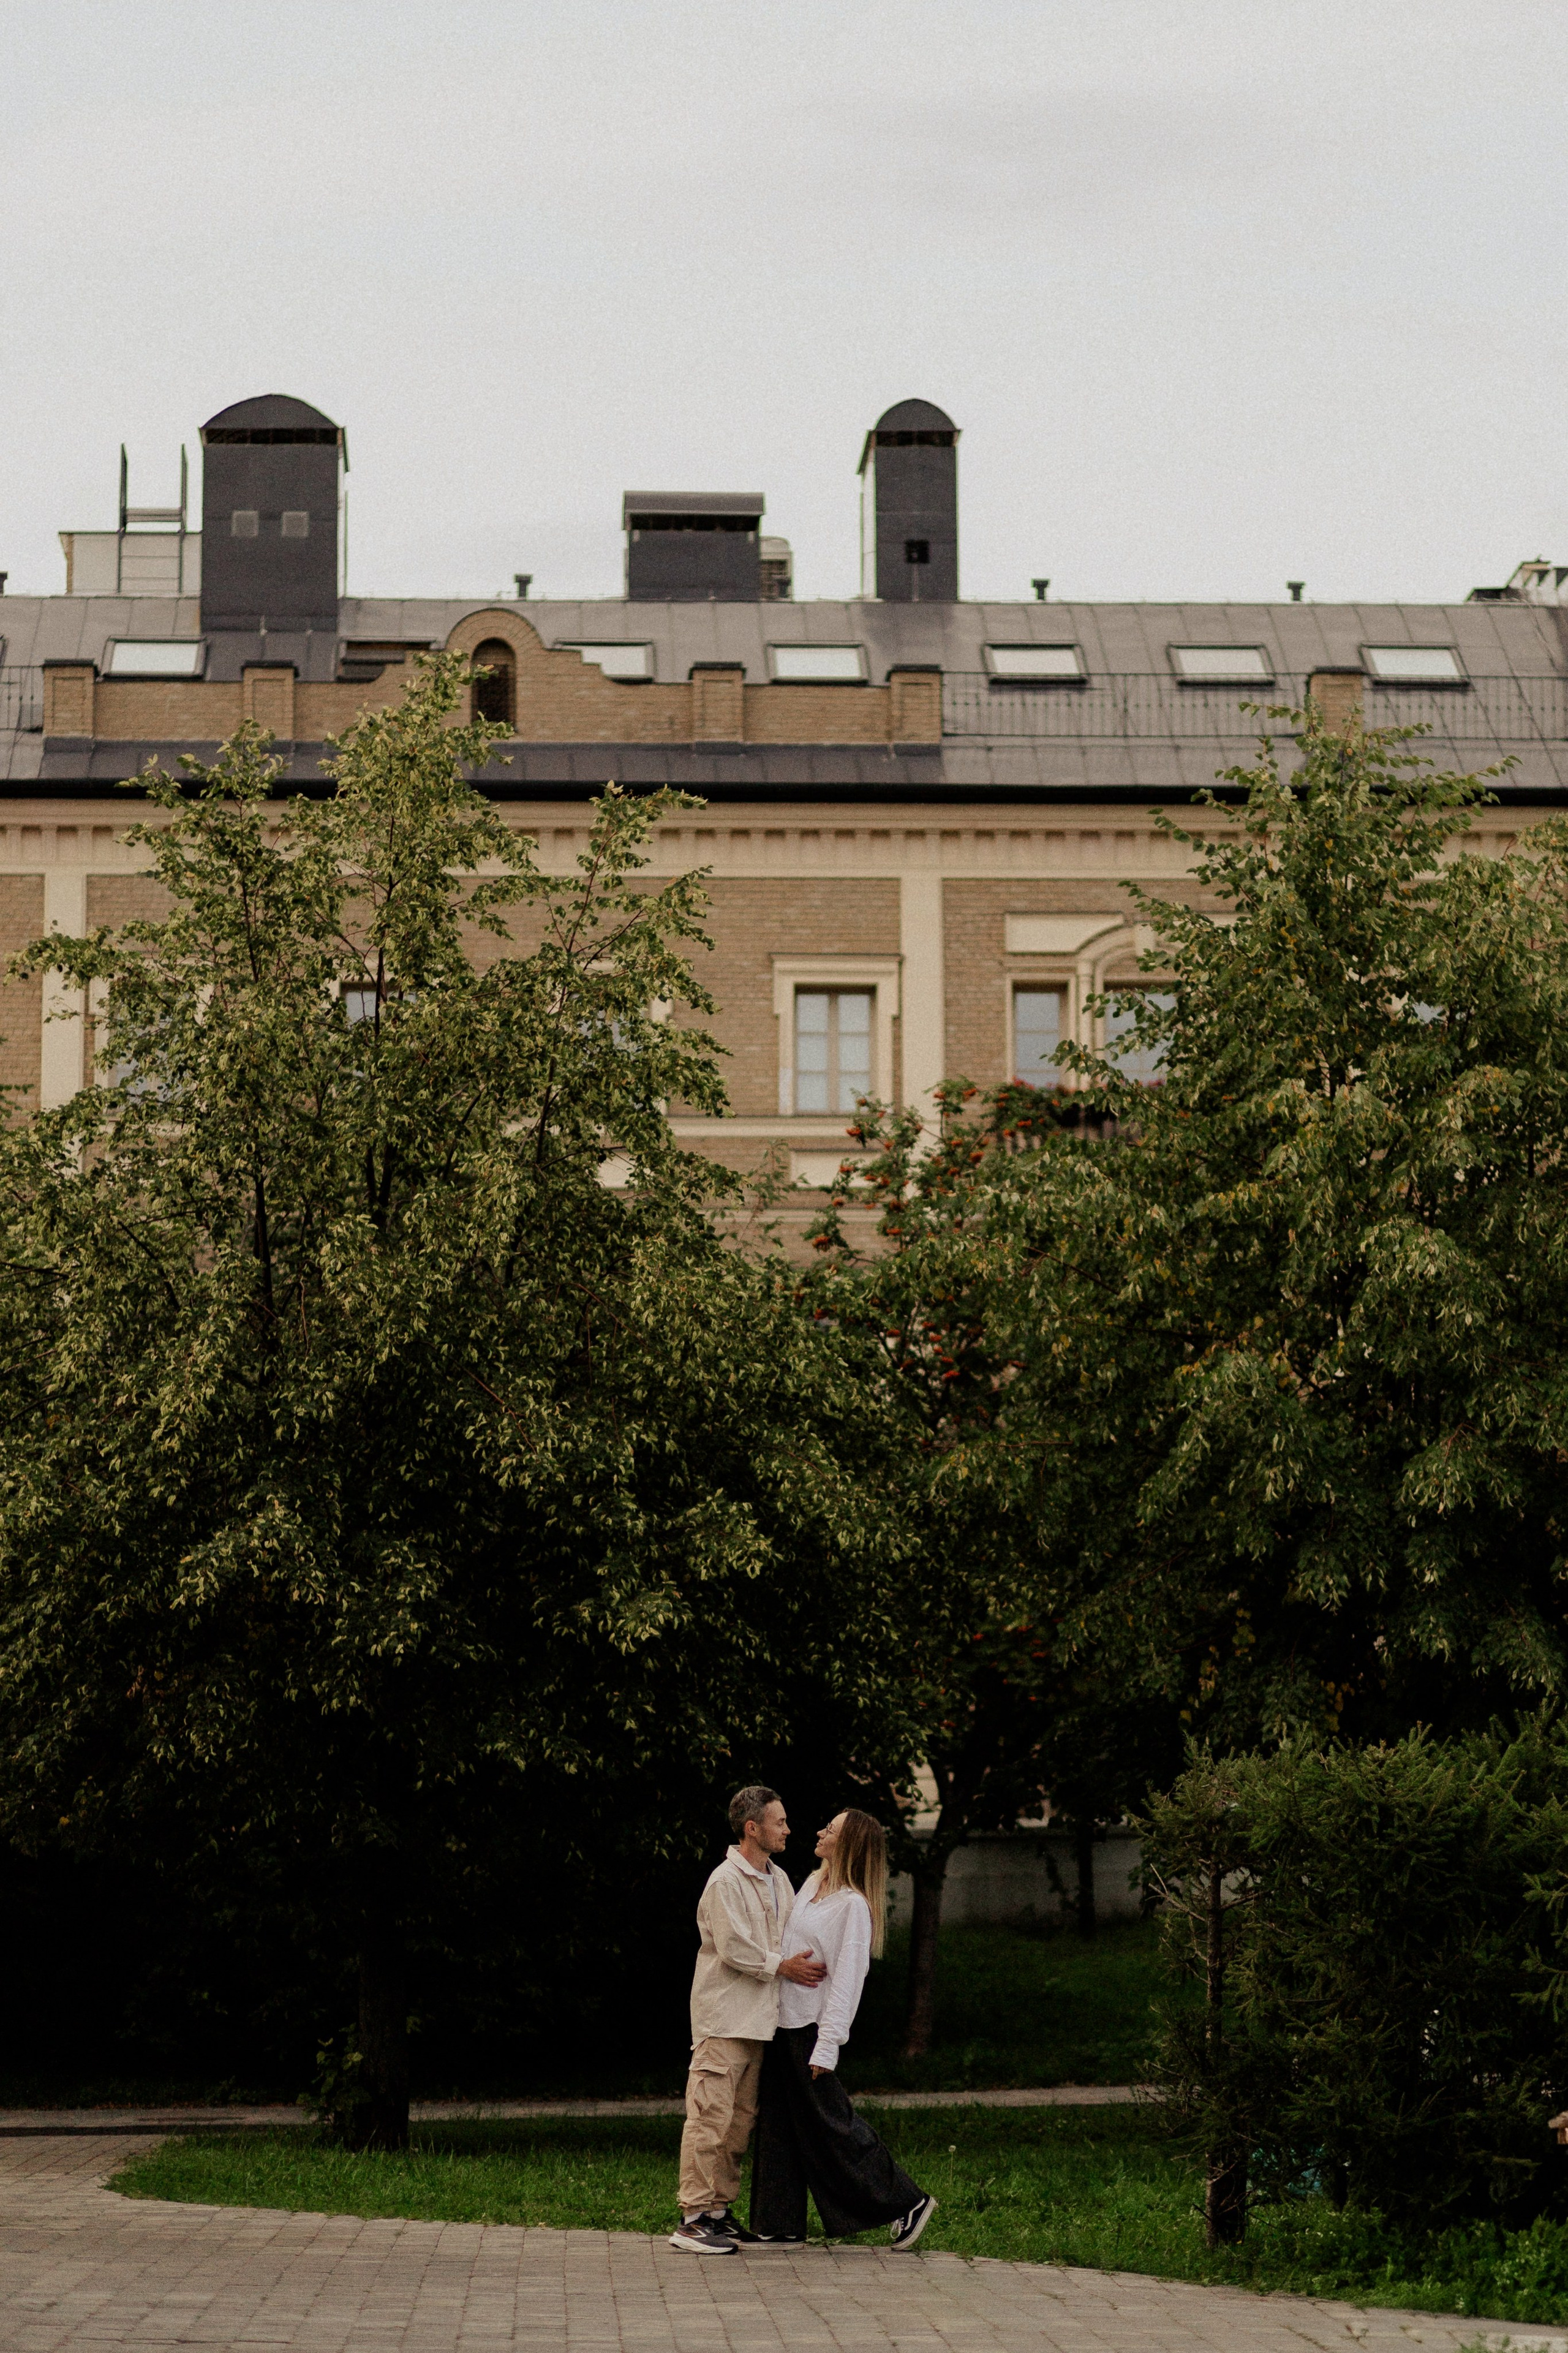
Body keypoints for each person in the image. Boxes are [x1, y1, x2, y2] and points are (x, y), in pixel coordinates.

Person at [750, 1808, 937, 2251]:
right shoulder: (811, 1885)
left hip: (812, 2029)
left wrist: (828, 2045)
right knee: (779, 2123)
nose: (819, 1831)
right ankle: (779, 2222)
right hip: (782, 2023)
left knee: (834, 2127)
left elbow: (848, 1981)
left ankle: (907, 2201)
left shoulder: (852, 1905)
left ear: (848, 1843)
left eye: (830, 1829)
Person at [671, 1784, 827, 2256]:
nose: (788, 1829)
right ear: (752, 1827)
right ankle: (692, 2218)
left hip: (759, 2024)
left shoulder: (778, 1879)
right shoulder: (726, 1881)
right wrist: (783, 1966)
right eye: (779, 1822)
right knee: (708, 2120)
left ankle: (717, 2211)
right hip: (723, 2021)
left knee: (738, 2126)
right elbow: (734, 1946)